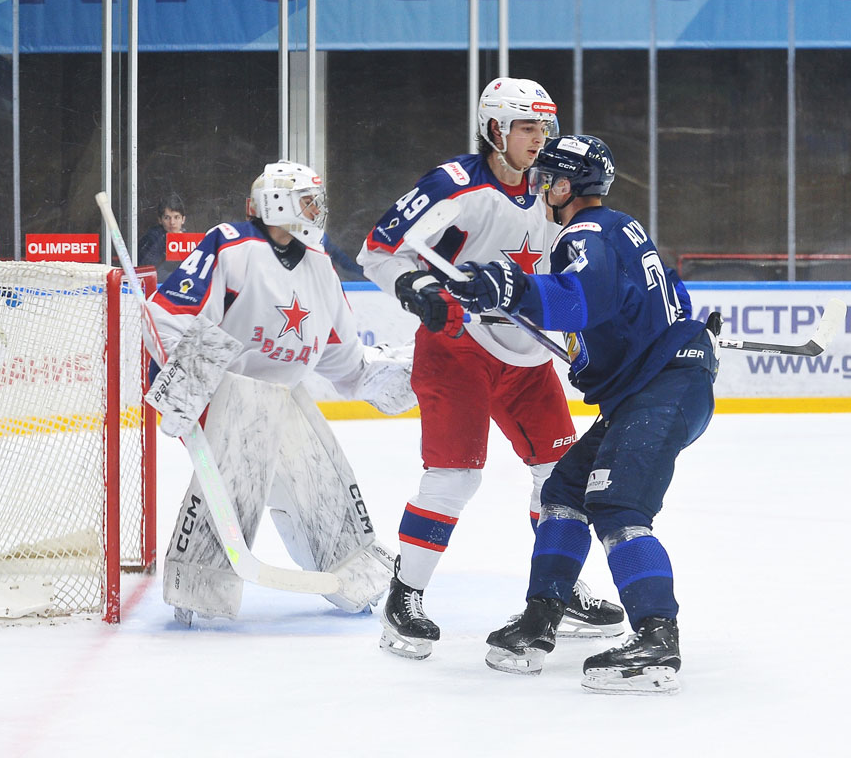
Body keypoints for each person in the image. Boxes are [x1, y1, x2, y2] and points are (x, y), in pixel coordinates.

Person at [356, 78, 625, 660]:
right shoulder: (455, 185)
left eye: (544, 127)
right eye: (527, 127)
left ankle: (559, 590)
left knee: (560, 476)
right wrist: (416, 287)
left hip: (527, 352)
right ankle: (404, 596)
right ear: (495, 129)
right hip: (458, 345)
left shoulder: (555, 188)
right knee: (455, 477)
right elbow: (377, 249)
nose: (539, 138)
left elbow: (572, 274)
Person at [443, 135, 719, 694]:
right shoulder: (622, 226)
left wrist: (512, 288)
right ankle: (541, 618)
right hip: (655, 389)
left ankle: (657, 638)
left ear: (565, 185)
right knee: (564, 491)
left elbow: (578, 300)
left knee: (618, 506)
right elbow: (669, 298)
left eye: (547, 178)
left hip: (661, 391)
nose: (540, 186)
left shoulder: (582, 233)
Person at [145, 160, 416, 625]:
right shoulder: (231, 245)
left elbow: (342, 358)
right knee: (237, 492)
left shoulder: (320, 266)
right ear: (275, 203)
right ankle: (198, 585)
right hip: (226, 396)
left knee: (321, 478)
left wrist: (403, 376)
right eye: (307, 201)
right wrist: (186, 385)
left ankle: (353, 574)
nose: (317, 210)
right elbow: (167, 316)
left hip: (283, 395)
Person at [139, 193, 187, 273]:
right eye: (167, 218)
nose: (172, 222)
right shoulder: (153, 239)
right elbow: (153, 271)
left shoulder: (189, 240)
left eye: (176, 217)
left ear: (183, 219)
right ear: (160, 220)